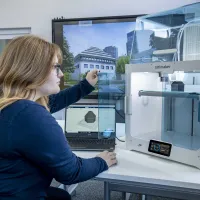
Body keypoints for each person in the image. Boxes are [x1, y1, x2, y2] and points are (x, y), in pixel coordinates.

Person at [0, 35, 117, 200]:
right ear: (34, 69)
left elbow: (53, 102)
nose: (61, 74)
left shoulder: (9, 104)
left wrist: (86, 85)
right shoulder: (28, 114)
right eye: (56, 67)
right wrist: (101, 161)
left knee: (61, 196)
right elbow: (71, 172)